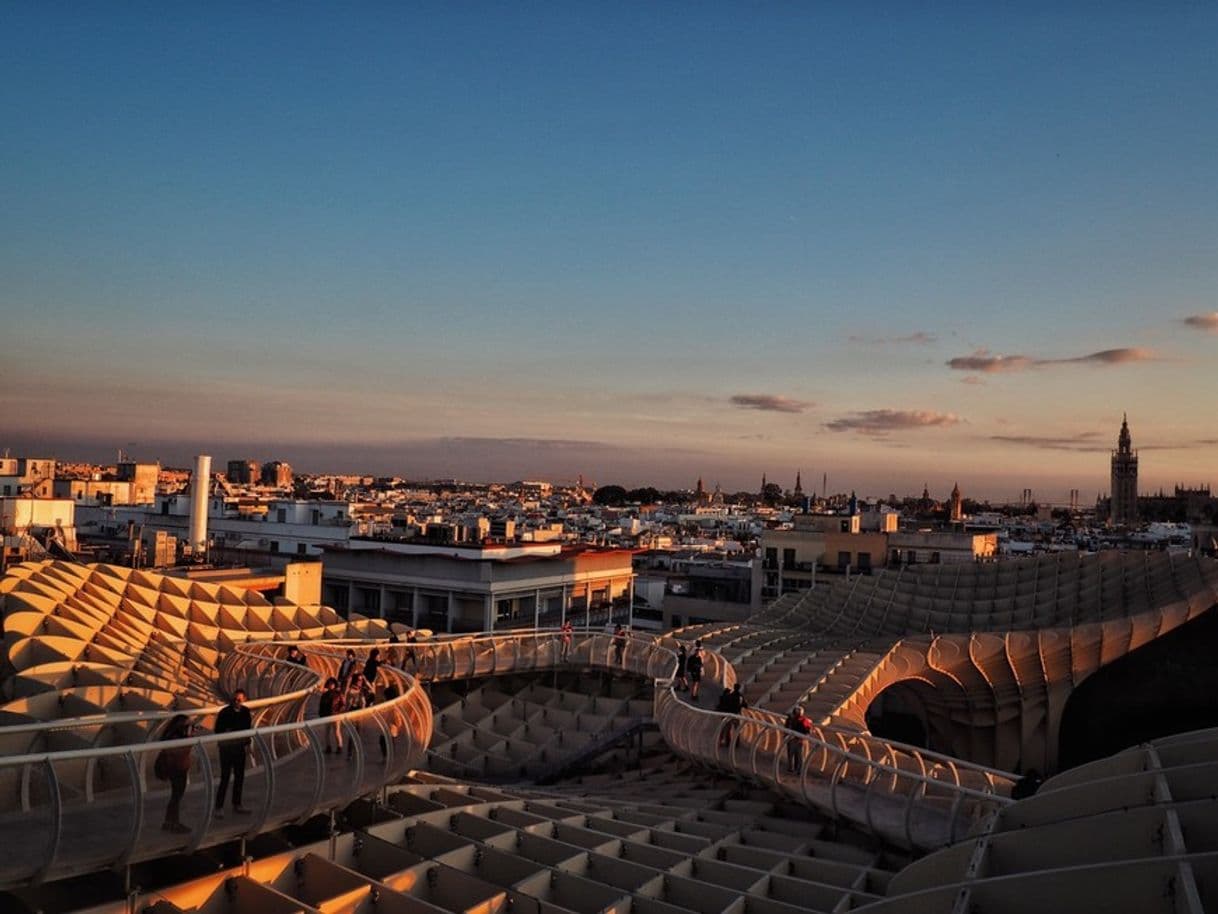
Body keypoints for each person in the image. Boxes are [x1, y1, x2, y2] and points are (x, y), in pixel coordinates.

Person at [214, 689, 252, 816]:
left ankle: (237, 804)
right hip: (226, 749)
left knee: (239, 777)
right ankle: (218, 807)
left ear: (244, 699)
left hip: (239, 748)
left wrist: (247, 746)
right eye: (234, 699)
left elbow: (247, 730)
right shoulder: (225, 712)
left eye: (239, 700)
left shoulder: (246, 712)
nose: (236, 702)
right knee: (225, 778)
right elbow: (218, 730)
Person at [158, 714, 194, 833]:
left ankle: (169, 822)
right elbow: (182, 750)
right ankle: (173, 823)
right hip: (176, 768)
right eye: (188, 725)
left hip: (178, 767)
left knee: (176, 796)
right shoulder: (175, 738)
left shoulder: (175, 736)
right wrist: (189, 737)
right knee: (176, 796)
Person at [344, 673, 369, 759]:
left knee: (358, 733)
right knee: (353, 734)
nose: (360, 682)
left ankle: (356, 752)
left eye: (361, 680)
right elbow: (349, 704)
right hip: (353, 712)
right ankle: (350, 753)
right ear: (355, 681)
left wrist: (365, 681)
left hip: (360, 713)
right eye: (359, 680)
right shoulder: (351, 691)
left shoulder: (362, 689)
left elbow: (372, 690)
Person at [318, 677, 344, 754]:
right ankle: (328, 747)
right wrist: (321, 714)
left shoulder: (338, 694)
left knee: (336, 731)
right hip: (327, 715)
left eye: (332, 684)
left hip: (336, 715)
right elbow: (321, 705)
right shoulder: (324, 695)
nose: (331, 685)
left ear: (334, 685)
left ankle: (339, 746)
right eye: (329, 684)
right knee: (327, 732)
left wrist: (338, 712)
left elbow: (343, 704)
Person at [784, 705, 813, 774]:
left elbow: (808, 730)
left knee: (798, 756)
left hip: (797, 740)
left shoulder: (803, 720)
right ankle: (793, 769)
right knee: (793, 755)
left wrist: (803, 738)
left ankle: (797, 770)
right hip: (793, 739)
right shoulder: (793, 719)